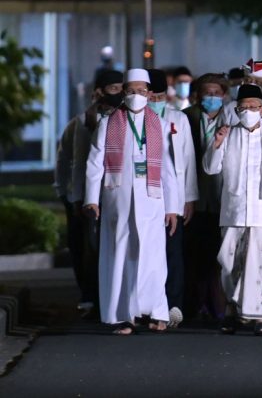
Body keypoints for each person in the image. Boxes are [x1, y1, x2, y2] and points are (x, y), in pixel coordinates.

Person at [84, 69, 180, 335]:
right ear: (123, 93)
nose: (136, 95)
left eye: (141, 90)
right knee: (121, 256)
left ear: (149, 93)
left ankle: (157, 313)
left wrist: (173, 207)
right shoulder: (108, 122)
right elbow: (94, 163)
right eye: (131, 90)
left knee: (154, 258)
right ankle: (124, 317)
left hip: (152, 200)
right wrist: (91, 199)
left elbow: (168, 168)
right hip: (119, 199)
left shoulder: (158, 124)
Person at [203, 84, 262, 336]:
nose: (249, 112)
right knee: (229, 261)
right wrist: (217, 143)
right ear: (236, 109)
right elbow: (211, 169)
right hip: (233, 210)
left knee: (260, 262)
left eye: (254, 107)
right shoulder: (226, 134)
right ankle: (233, 310)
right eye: (244, 108)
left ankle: (259, 315)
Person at [55, 69, 123, 315]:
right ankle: (90, 296)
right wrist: (70, 196)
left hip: (114, 193)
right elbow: (70, 163)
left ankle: (110, 296)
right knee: (87, 248)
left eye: (121, 88)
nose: (119, 94)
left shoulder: (123, 121)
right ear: (98, 92)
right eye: (113, 89)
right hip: (84, 198)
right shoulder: (80, 123)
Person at [146, 69, 199, 328]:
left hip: (173, 197)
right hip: (145, 197)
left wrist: (188, 198)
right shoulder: (134, 121)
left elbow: (187, 160)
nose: (155, 99)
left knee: (172, 251)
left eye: (159, 95)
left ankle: (173, 303)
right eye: (150, 95)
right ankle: (146, 304)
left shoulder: (179, 118)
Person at [183, 73, 233, 321]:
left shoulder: (231, 119)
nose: (211, 97)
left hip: (223, 196)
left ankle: (218, 307)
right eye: (207, 92)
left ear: (224, 94)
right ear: (197, 95)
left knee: (219, 255)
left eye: (216, 92)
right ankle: (195, 305)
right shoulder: (187, 118)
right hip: (195, 196)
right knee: (195, 253)